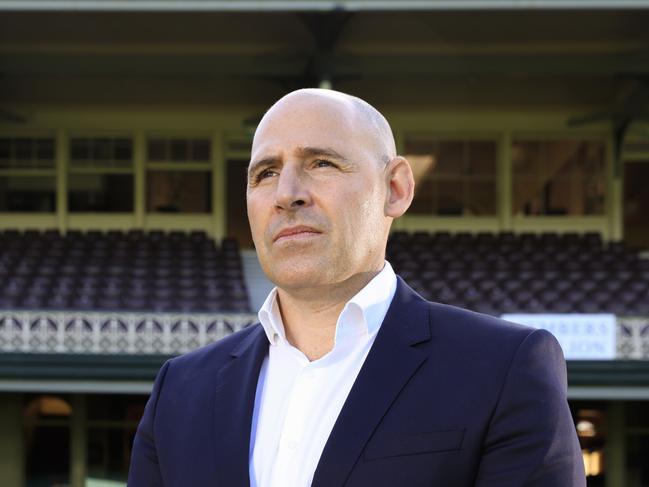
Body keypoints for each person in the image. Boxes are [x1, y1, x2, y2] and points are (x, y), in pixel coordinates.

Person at [128, 89, 586, 487]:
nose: (287, 193)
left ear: (396, 188)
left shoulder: (503, 369)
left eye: (321, 162)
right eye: (265, 172)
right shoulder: (181, 389)